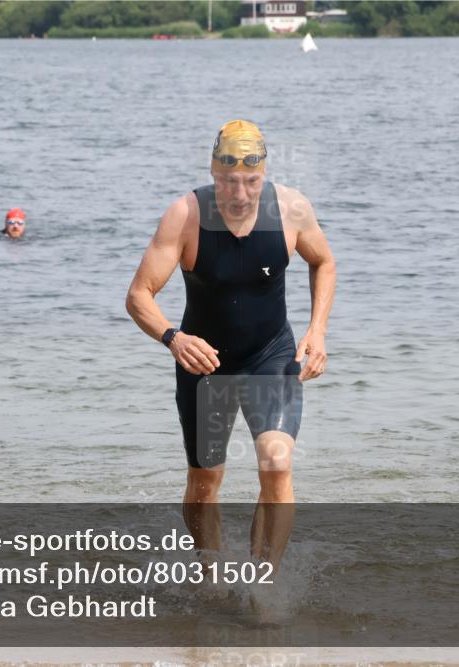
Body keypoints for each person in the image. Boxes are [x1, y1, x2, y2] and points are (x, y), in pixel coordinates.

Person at [125, 119, 336, 573]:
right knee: (205, 479)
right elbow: (139, 295)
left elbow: (323, 262)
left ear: (264, 174)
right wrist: (173, 338)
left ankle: (264, 580)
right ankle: (209, 572)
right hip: (204, 363)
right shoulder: (186, 215)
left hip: (270, 355)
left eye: (251, 182)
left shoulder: (292, 209)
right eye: (228, 182)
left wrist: (317, 329)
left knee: (276, 464)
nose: (239, 193)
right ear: (212, 172)